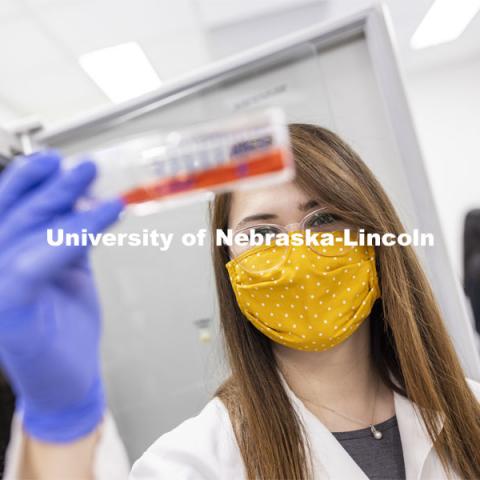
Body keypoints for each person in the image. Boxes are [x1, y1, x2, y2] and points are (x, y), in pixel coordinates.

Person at [1, 124, 480, 479]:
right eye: (262, 232)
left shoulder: (471, 409)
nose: (296, 249)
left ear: (374, 238)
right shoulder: (193, 464)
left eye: (322, 219)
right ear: (228, 264)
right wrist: (60, 426)